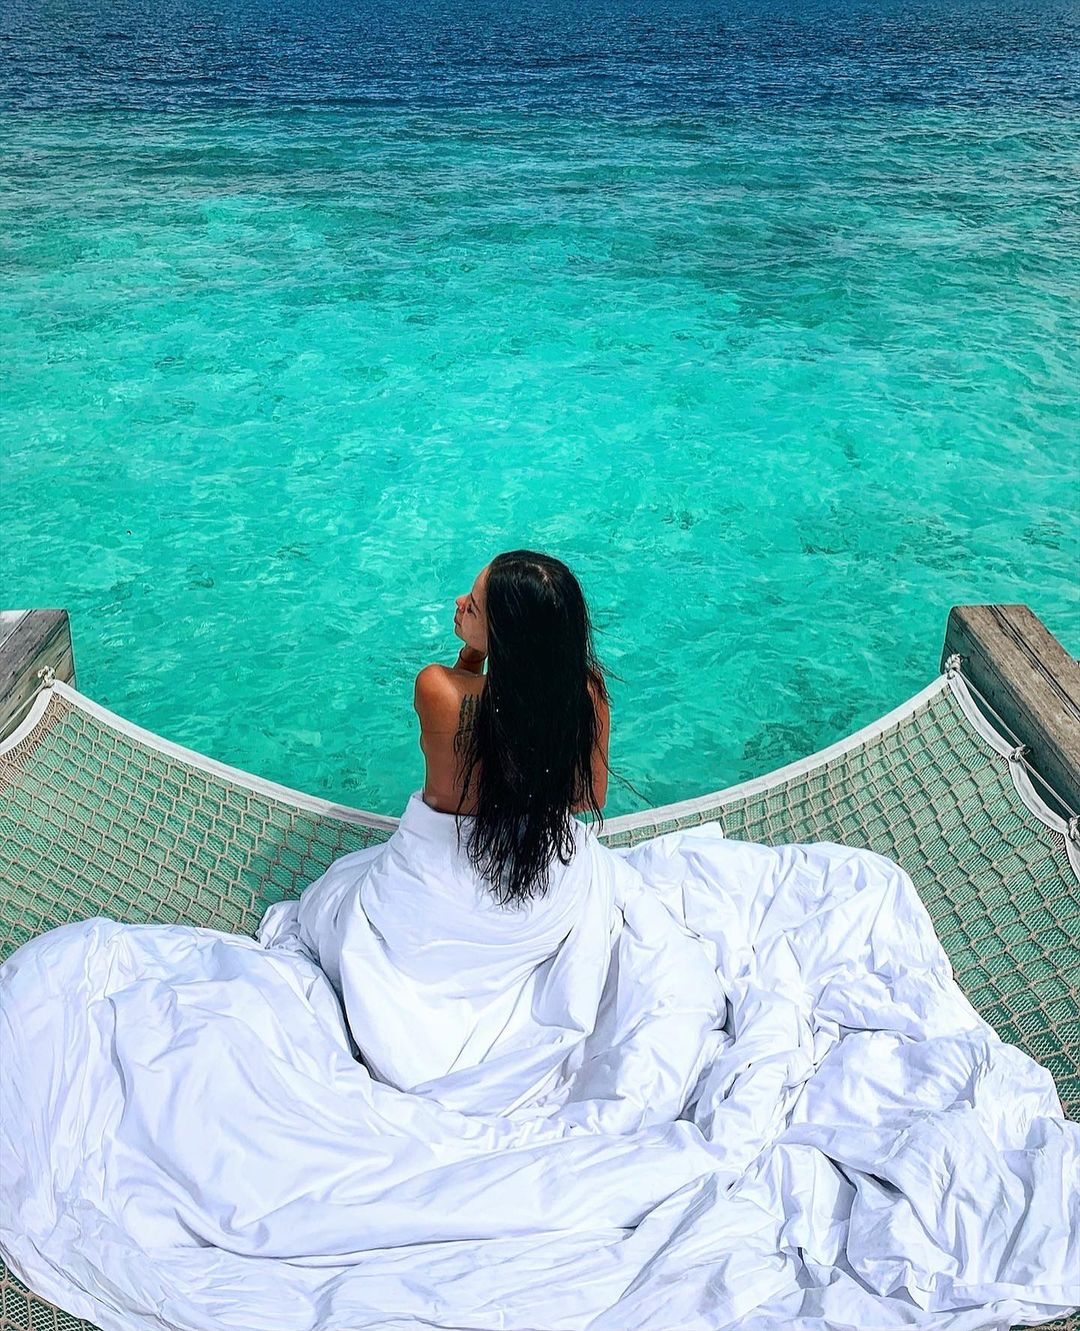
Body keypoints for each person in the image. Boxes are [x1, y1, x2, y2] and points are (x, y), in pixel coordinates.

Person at [3, 550, 1077, 1331]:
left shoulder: (441, 690)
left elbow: (448, 765)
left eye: (473, 600)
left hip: (443, 889)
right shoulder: (589, 698)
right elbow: (589, 803)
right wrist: (530, 675)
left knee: (332, 911)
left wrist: (474, 656)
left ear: (498, 636)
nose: (457, 605)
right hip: (548, 888)